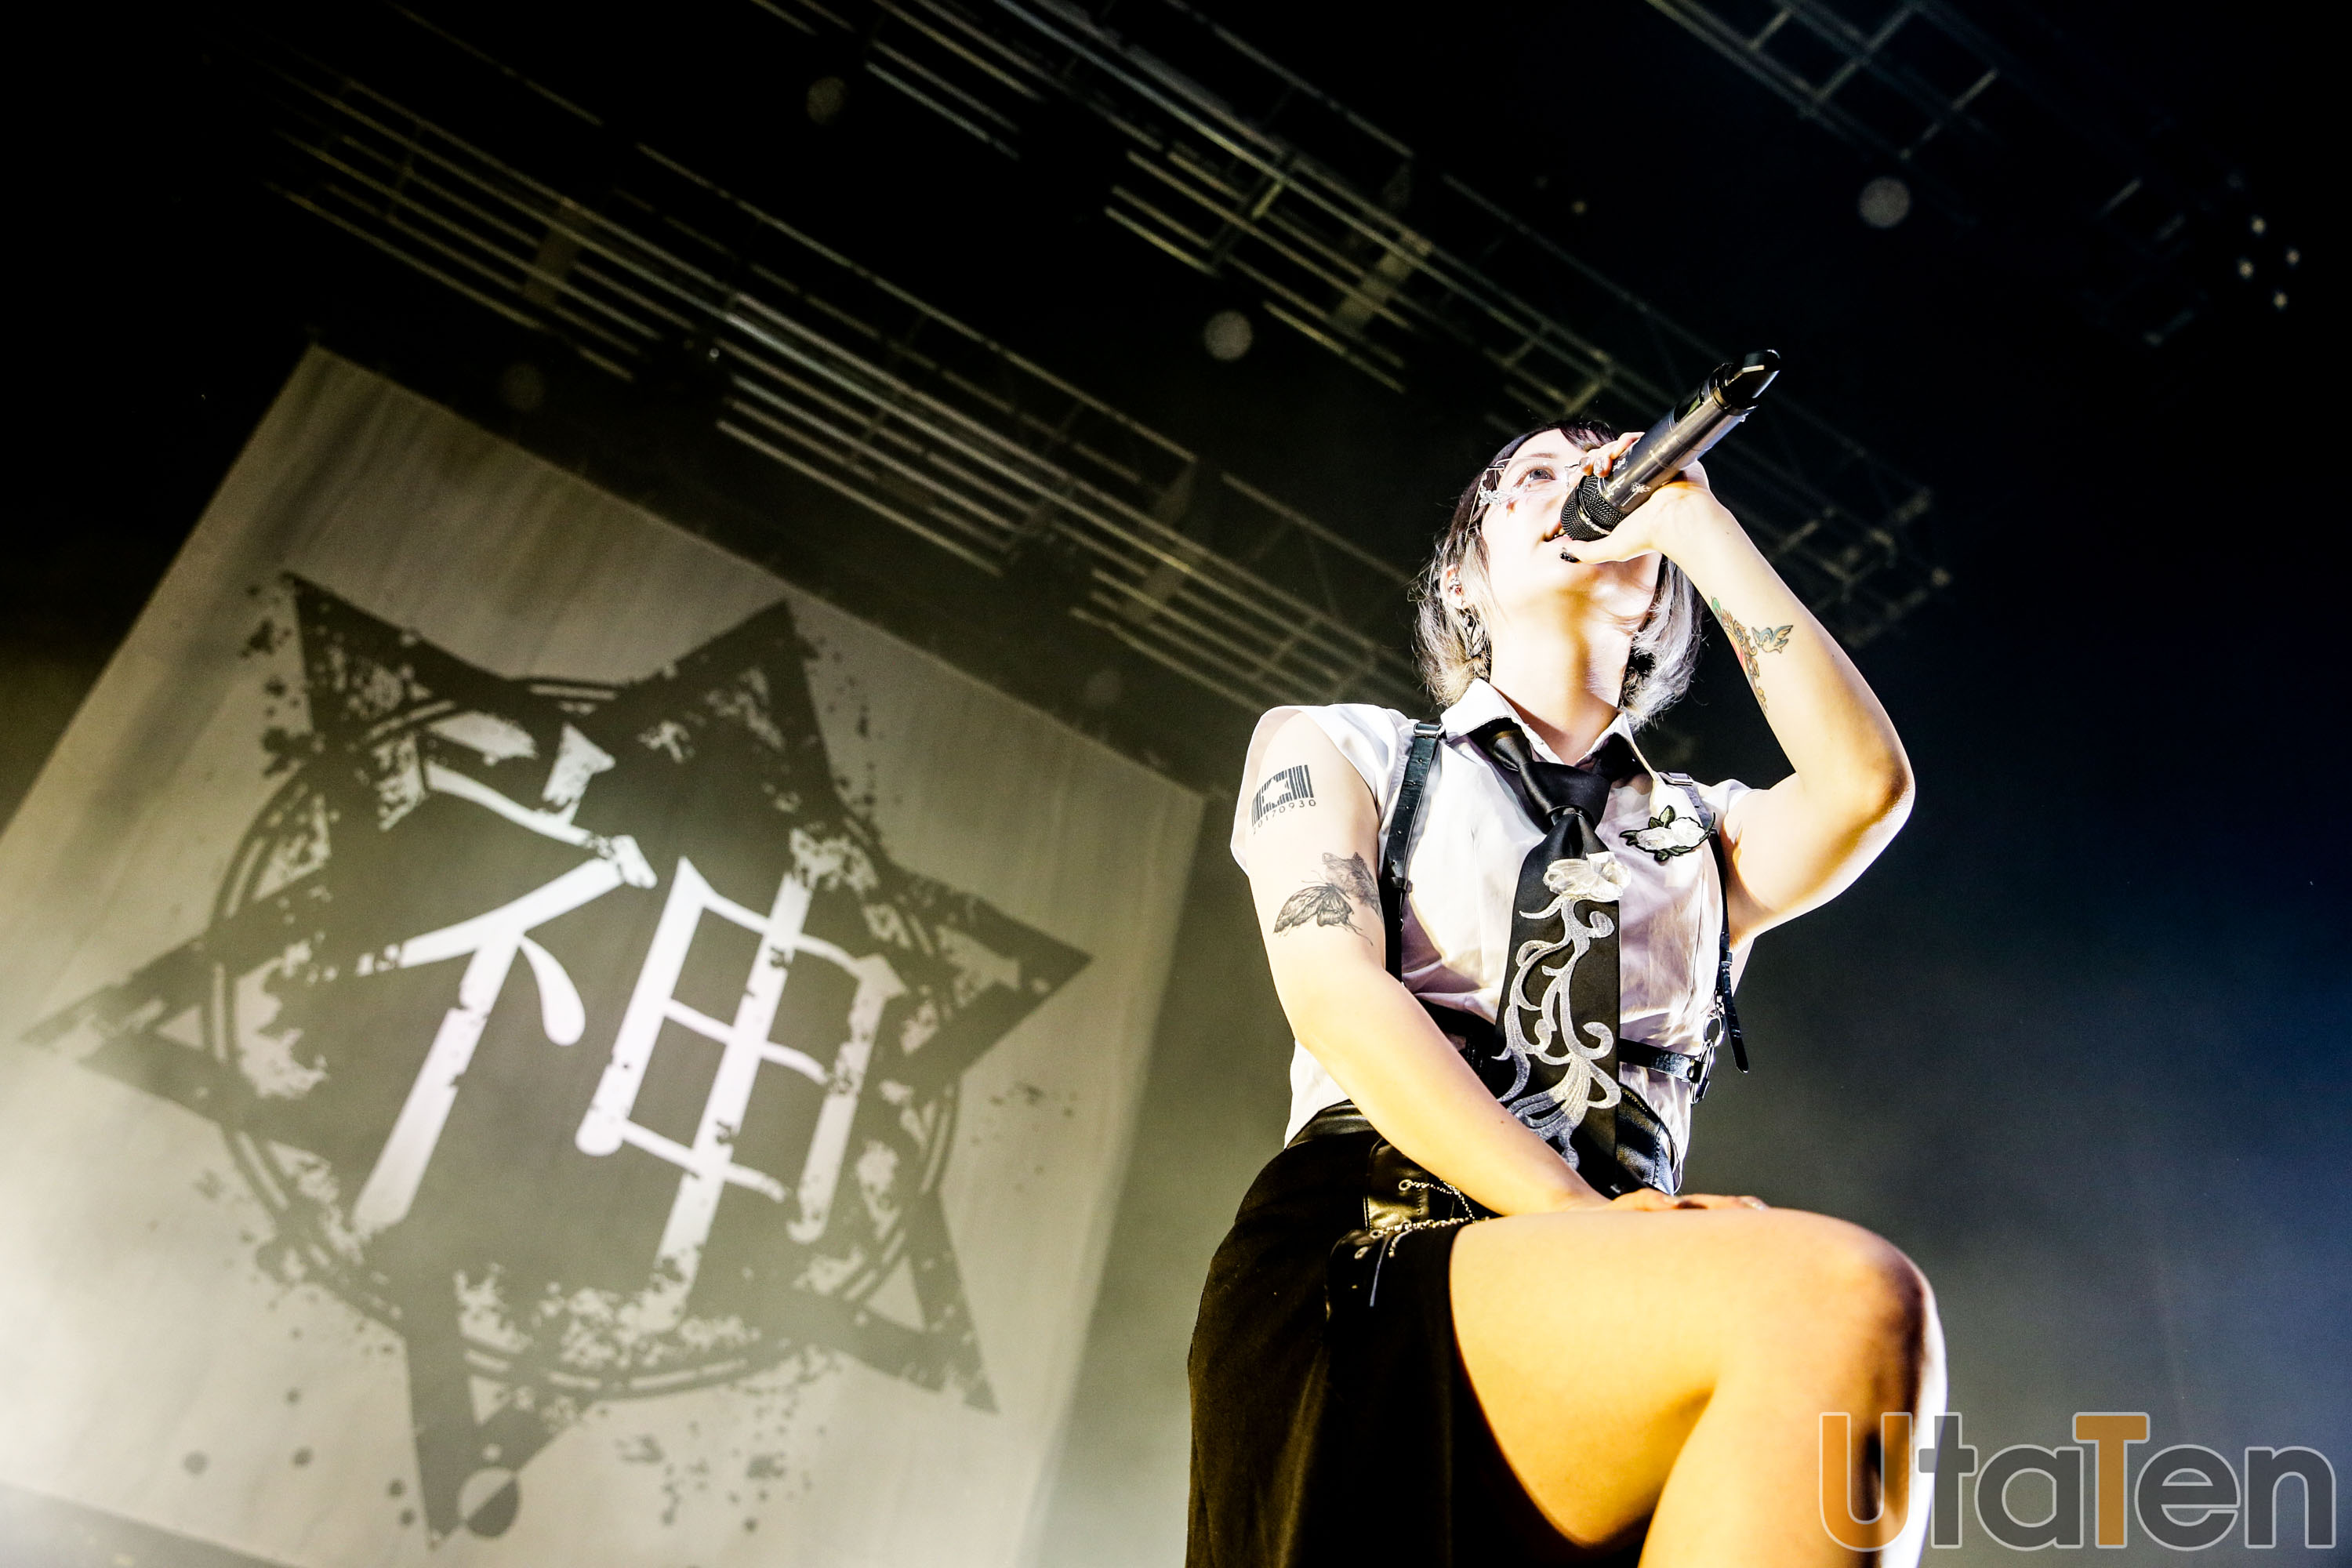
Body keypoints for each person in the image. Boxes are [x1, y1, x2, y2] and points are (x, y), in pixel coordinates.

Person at [1189, 422, 1943, 1566]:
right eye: (1535, 473)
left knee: (1845, 1353)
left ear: (1657, 596)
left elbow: (1864, 786)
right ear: (1462, 576)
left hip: (1608, 1280)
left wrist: (1696, 523)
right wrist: (1570, 1214)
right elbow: (1335, 994)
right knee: (1841, 1299)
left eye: (1600, 470)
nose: (1583, 483)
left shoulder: (1705, 837)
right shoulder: (1343, 748)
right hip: (1373, 1246)